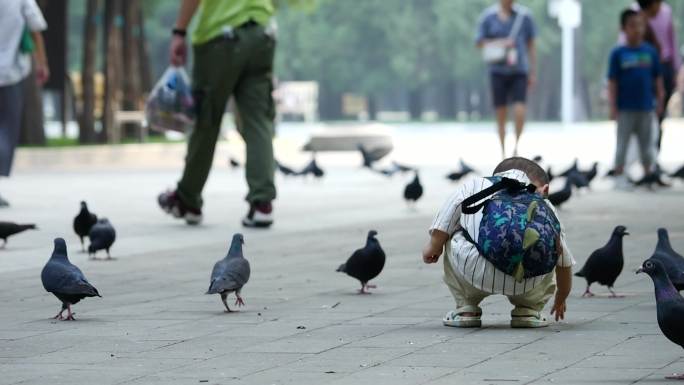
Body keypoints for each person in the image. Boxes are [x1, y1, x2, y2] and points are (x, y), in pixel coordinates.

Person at [158, 0, 277, 228]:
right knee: (258, 120)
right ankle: (262, 203)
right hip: (263, 32)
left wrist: (179, 30)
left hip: (220, 36)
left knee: (206, 119)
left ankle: (188, 200)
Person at [422, 157, 574, 329]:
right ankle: (528, 310)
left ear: (495, 176)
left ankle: (466, 309)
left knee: (451, 234)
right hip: (527, 281)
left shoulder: (475, 185)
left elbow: (443, 224)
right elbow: (564, 261)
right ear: (545, 189)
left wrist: (434, 247)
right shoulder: (544, 204)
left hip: (473, 272)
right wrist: (561, 297)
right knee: (550, 247)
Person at [608, 9, 665, 189]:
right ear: (624, 28)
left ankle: (648, 176)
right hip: (625, 107)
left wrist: (660, 98)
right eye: (632, 25)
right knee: (622, 143)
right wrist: (612, 105)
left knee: (647, 144)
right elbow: (612, 81)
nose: (637, 29)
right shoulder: (618, 53)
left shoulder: (650, 52)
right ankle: (619, 175)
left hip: (646, 107)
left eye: (640, 25)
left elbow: (657, 79)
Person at [0, 0, 48, 207]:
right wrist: (42, 63)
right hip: (11, 73)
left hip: (12, 73)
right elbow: (36, 28)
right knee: (6, 130)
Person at [476, 0, 536, 159]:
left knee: (519, 110)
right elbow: (479, 42)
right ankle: (503, 152)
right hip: (497, 71)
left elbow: (531, 44)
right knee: (501, 112)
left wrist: (532, 71)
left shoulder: (525, 17)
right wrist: (500, 42)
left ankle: (516, 147)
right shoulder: (488, 17)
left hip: (519, 70)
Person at [636, 0, 681, 150]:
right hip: (642, 69)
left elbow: (671, 41)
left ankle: (654, 154)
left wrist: (676, 68)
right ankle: (642, 153)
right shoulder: (634, 12)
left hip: (664, 67)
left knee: (659, 115)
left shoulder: (666, 11)